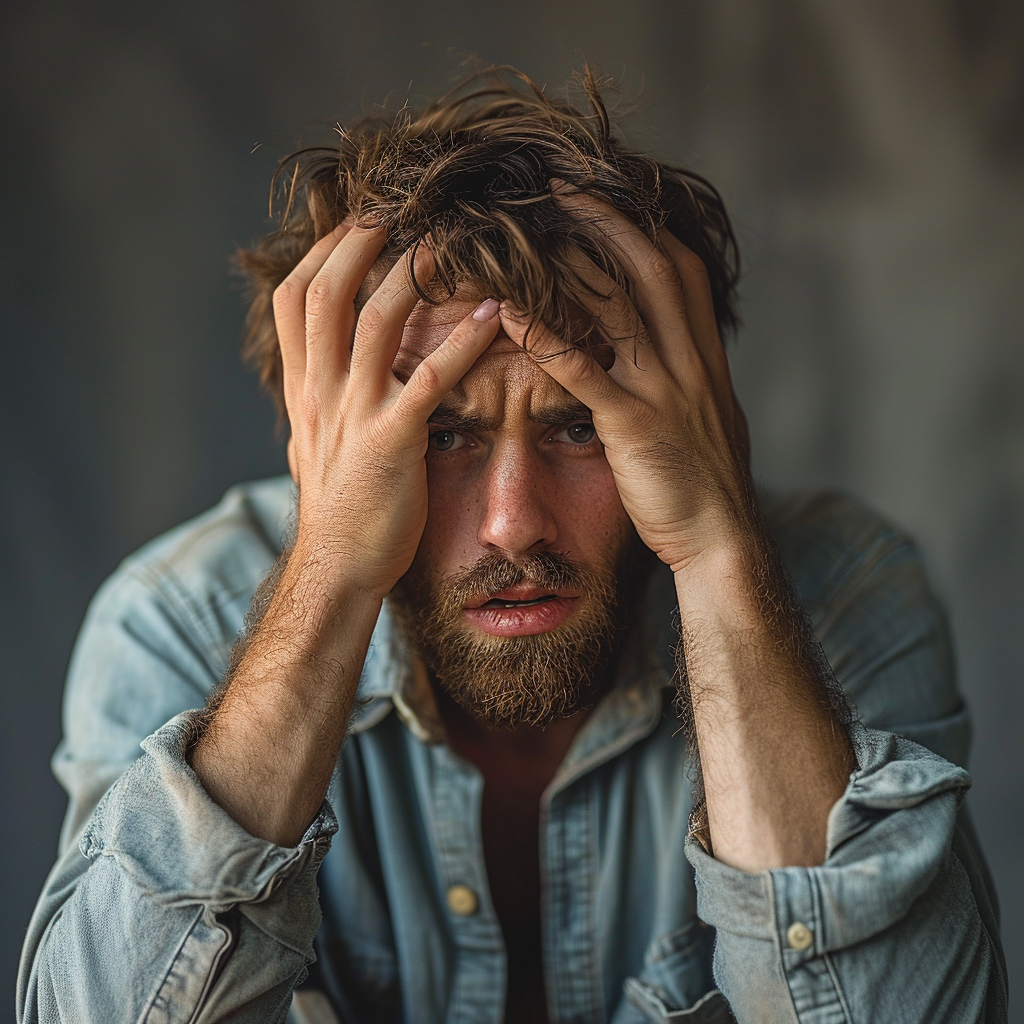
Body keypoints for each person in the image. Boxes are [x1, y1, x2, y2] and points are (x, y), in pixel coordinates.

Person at [18, 68, 1007, 1024]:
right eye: (437, 435)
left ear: (694, 414)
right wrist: (327, 570)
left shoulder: (843, 594)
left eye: (580, 424)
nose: (512, 521)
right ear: (324, 442)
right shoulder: (175, 622)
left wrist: (715, 550)